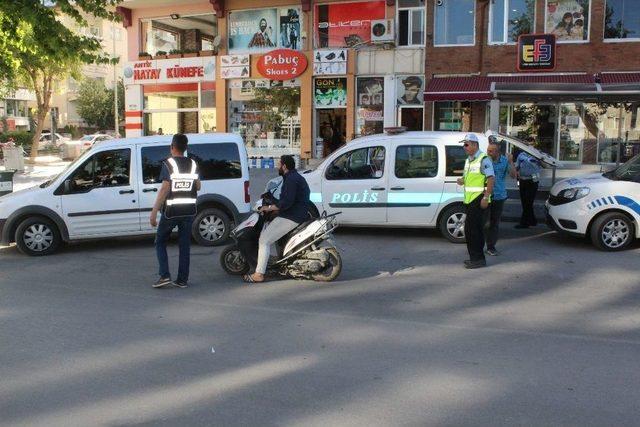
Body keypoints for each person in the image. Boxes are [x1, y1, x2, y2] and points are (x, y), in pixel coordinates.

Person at [243, 155, 310, 283]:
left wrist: (268, 208)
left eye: (279, 164)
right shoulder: (292, 177)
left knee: (264, 240)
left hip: (292, 216)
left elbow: (286, 203)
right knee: (269, 233)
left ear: (284, 166)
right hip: (295, 213)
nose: (278, 166)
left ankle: (259, 274)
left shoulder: (291, 180)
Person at [150, 134, 201, 288]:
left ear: (172, 147)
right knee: (184, 246)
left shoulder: (168, 164)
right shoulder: (193, 164)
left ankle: (164, 275)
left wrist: (154, 212)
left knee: (160, 241)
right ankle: (182, 280)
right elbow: (198, 186)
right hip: (189, 211)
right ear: (185, 148)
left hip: (172, 211)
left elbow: (165, 188)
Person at [457, 134, 495, 269]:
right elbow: (469, 178)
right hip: (470, 199)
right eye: (464, 145)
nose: (464, 147)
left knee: (474, 230)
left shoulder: (483, 159)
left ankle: (478, 259)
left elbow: (491, 179)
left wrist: (486, 197)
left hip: (478, 199)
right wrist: (462, 181)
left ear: (474, 145)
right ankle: (474, 257)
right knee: (470, 230)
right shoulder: (469, 160)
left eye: (466, 145)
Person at [485, 139, 517, 256]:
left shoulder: (504, 161)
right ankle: (478, 245)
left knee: (494, 223)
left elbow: (513, 176)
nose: (488, 153)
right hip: (485, 195)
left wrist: (511, 162)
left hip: (499, 196)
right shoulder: (485, 160)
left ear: (498, 152)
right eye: (488, 150)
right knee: (482, 221)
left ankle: (491, 247)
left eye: (491, 151)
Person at [514, 136, 542, 229]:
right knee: (524, 201)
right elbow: (517, 166)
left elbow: (543, 164)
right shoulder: (521, 155)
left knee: (528, 202)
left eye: (531, 143)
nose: (529, 145)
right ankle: (532, 220)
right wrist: (516, 173)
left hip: (533, 181)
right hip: (522, 180)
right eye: (527, 143)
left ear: (534, 143)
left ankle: (524, 223)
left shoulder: (537, 154)